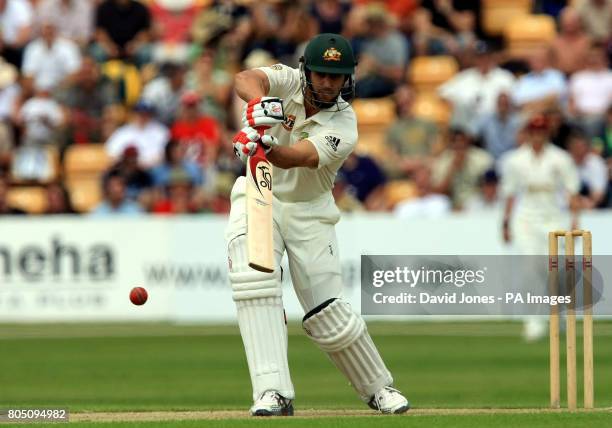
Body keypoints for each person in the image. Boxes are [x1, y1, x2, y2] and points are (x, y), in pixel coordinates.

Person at [227, 33, 409, 416]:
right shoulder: (288, 80)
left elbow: (298, 158)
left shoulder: (344, 122)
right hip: (260, 195)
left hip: (310, 211)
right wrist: (259, 105)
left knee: (327, 311)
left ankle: (379, 388)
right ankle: (272, 392)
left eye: (337, 76)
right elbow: (246, 78)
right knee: (254, 282)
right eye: (322, 74)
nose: (328, 83)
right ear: (306, 71)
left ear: (348, 79)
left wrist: (261, 146)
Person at [500, 114, 580, 341]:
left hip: (554, 218)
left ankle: (560, 316)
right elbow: (510, 194)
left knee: (557, 270)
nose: (537, 136)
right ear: (528, 133)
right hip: (526, 219)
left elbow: (572, 191)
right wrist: (505, 223)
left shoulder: (560, 158)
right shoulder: (516, 160)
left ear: (547, 133)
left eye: (541, 131)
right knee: (529, 269)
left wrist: (575, 222)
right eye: (533, 131)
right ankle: (533, 322)